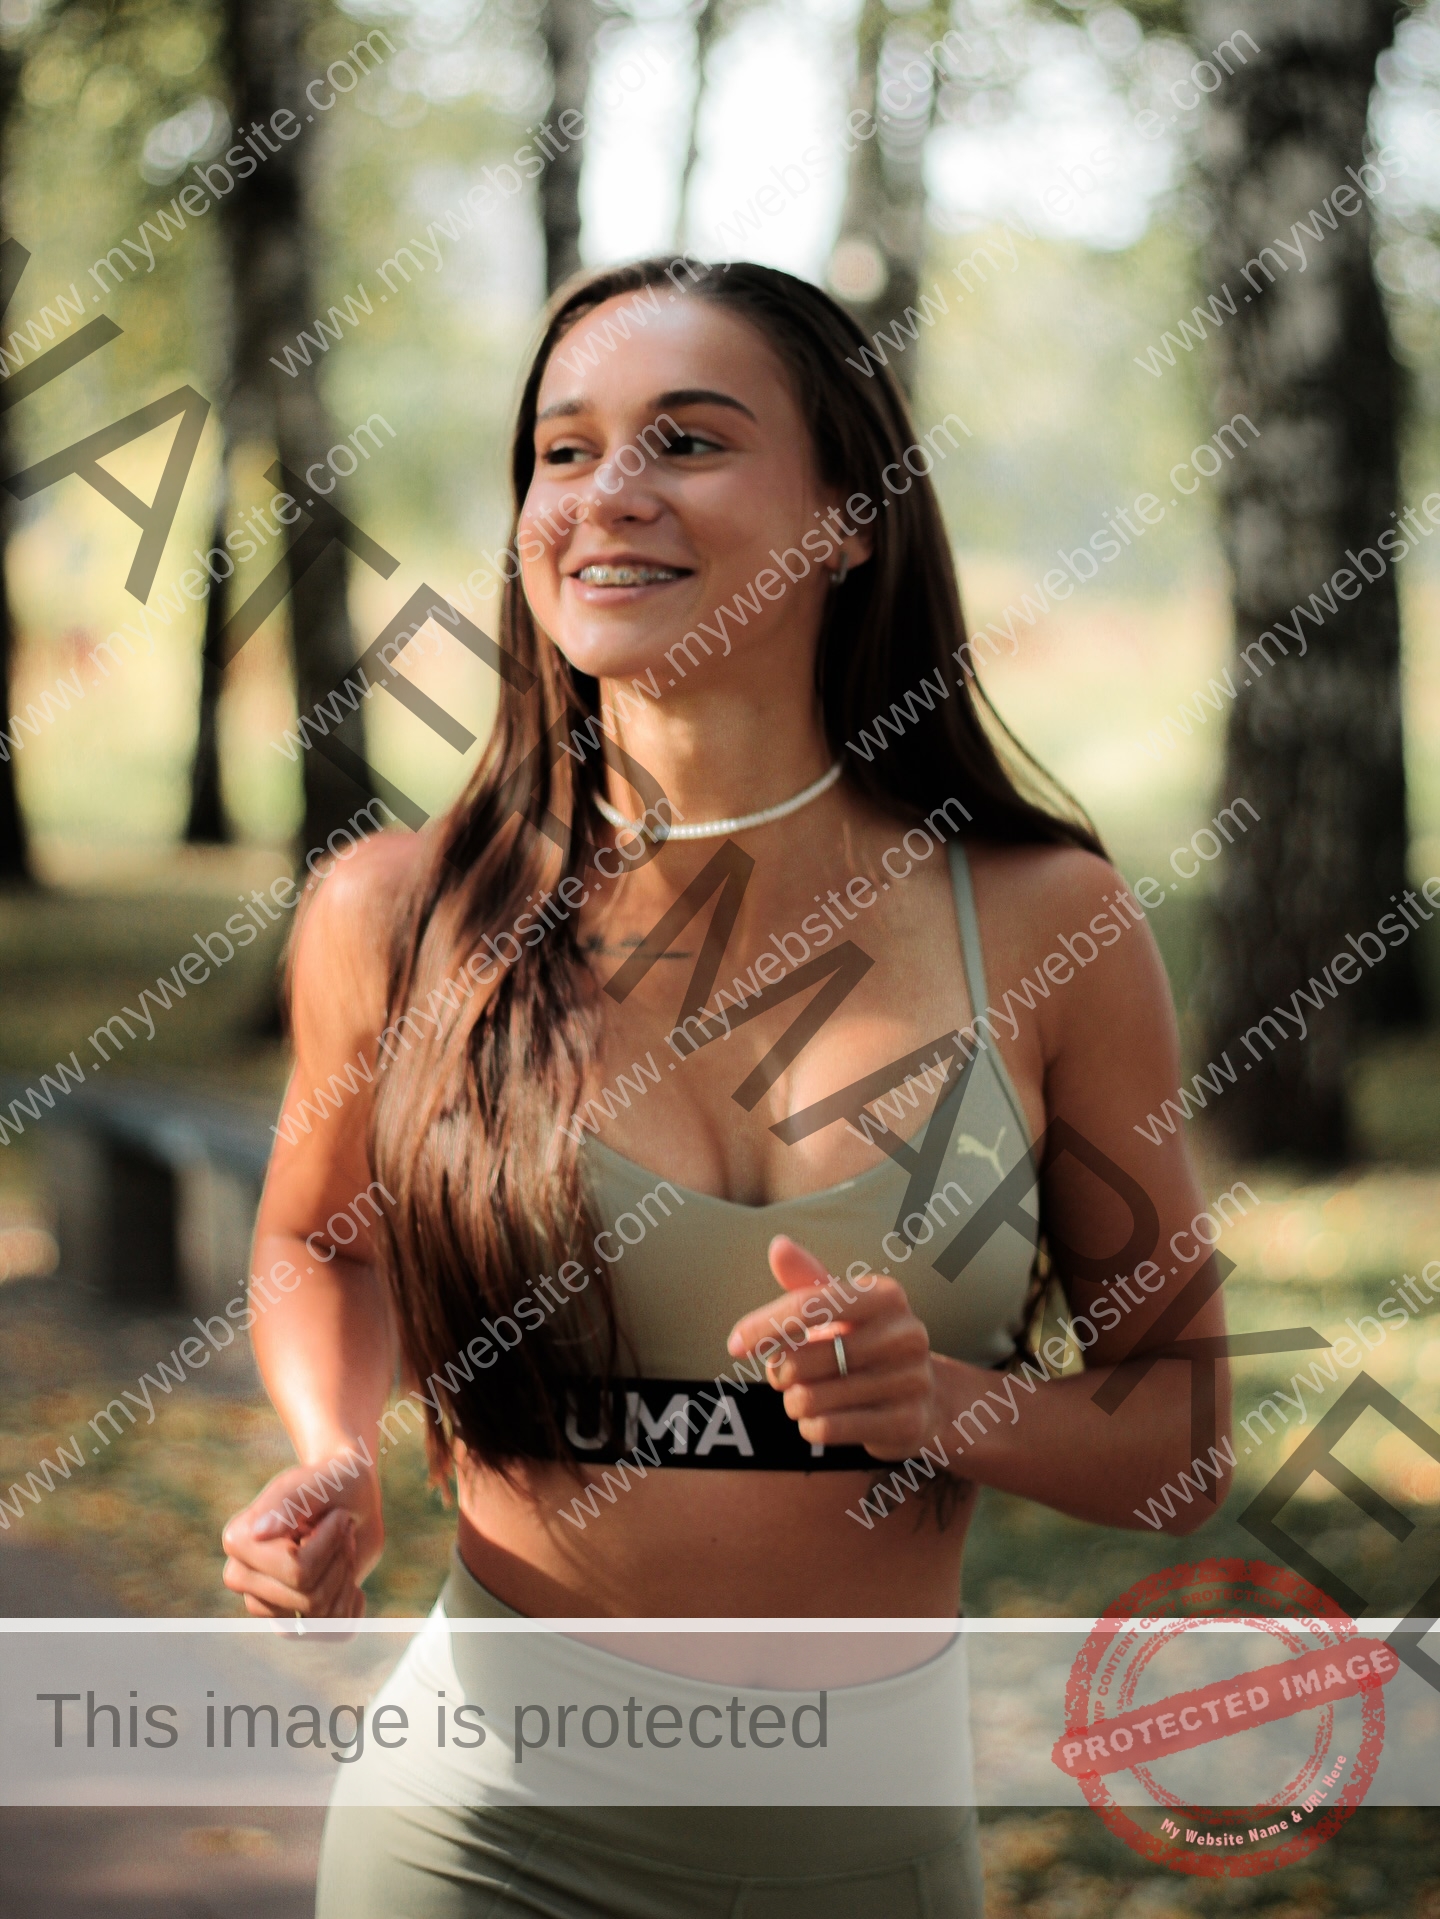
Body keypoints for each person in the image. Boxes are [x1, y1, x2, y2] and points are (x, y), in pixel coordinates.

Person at [221, 258, 1230, 1917]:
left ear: (850, 519)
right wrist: (333, 1453)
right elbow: (318, 1240)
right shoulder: (399, 914)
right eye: (562, 452)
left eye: (686, 440)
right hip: (477, 1839)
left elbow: (1181, 1439)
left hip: (868, 1859)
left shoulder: (1047, 920)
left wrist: (943, 1406)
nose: (607, 493)